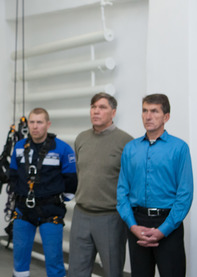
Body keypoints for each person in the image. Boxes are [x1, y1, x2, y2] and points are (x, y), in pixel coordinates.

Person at [117, 93, 193, 276]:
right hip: (137, 224)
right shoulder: (130, 148)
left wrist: (163, 230)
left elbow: (185, 194)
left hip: (169, 224)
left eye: (154, 111)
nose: (148, 116)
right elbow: (122, 192)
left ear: (166, 117)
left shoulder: (179, 148)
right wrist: (132, 226)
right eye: (144, 111)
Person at [68, 93, 133, 277]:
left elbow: (131, 184)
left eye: (102, 107)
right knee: (76, 271)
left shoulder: (126, 142)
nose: (96, 111)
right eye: (93, 106)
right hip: (81, 214)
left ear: (113, 112)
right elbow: (81, 174)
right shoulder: (81, 139)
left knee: (113, 270)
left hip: (111, 218)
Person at [8, 108, 77, 277]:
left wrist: (57, 199)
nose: (35, 126)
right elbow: (13, 176)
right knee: (20, 259)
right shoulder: (19, 147)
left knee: (54, 260)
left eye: (39, 122)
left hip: (50, 211)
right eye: (32, 122)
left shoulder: (62, 149)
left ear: (48, 124)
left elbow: (71, 181)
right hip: (23, 211)